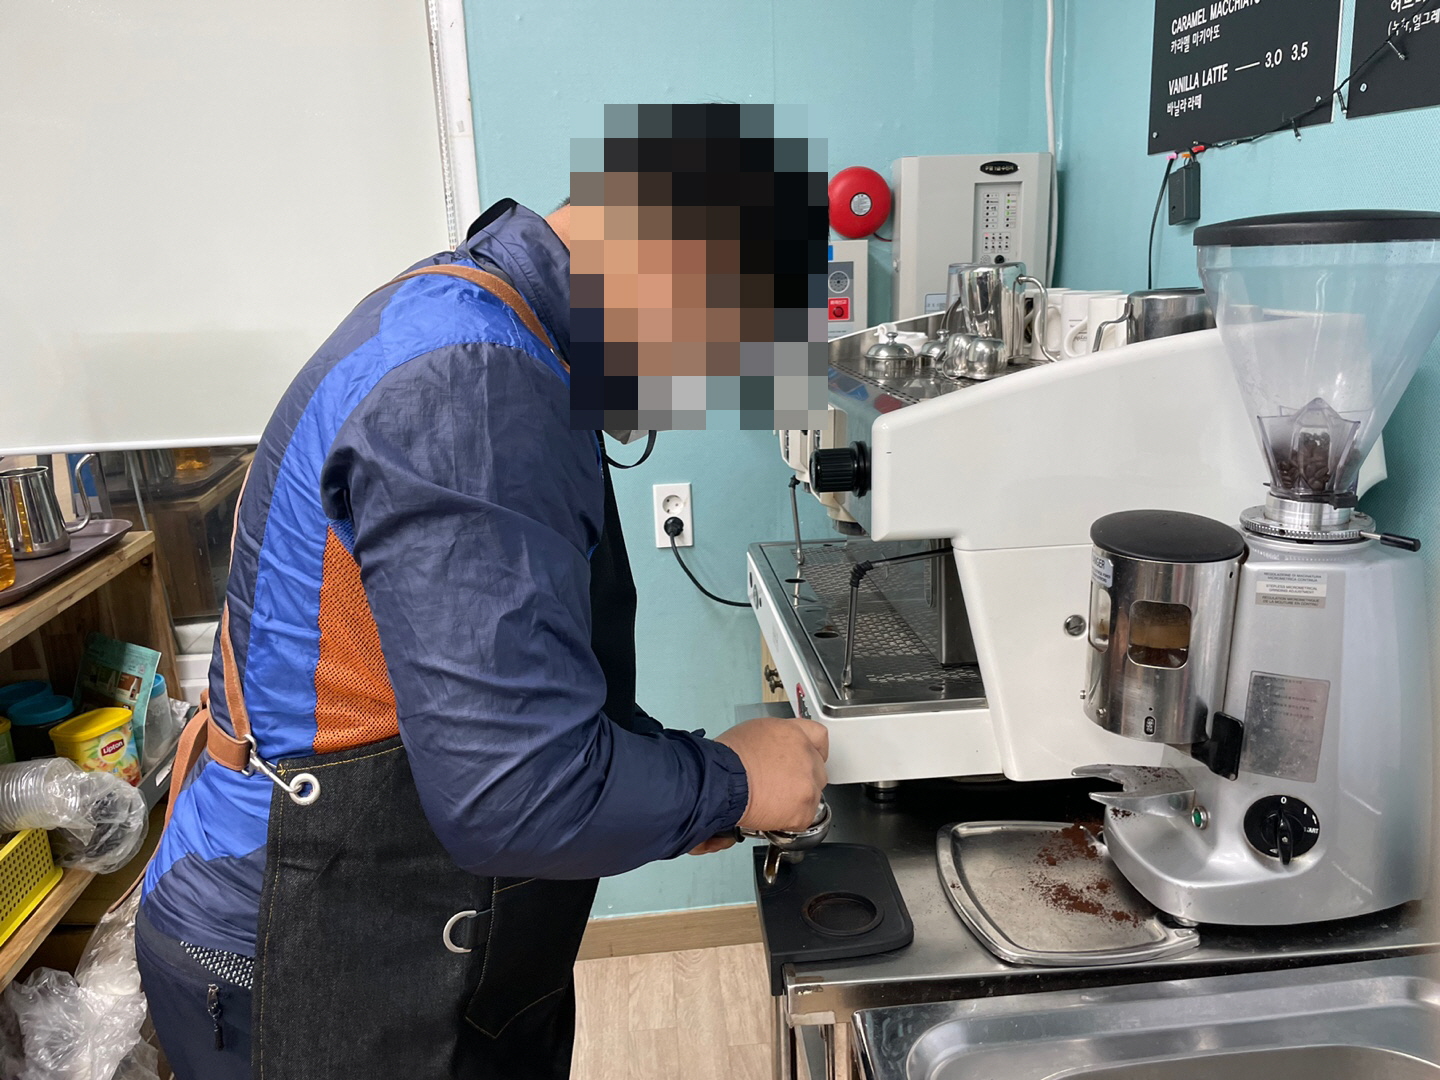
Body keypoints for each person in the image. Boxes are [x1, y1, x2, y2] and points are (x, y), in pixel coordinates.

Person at [133, 189, 829, 1079]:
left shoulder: (478, 321)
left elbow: (517, 685)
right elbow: (515, 792)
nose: (683, 399)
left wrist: (668, 786)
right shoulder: (472, 389)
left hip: (391, 908)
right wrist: (730, 782)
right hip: (301, 941)